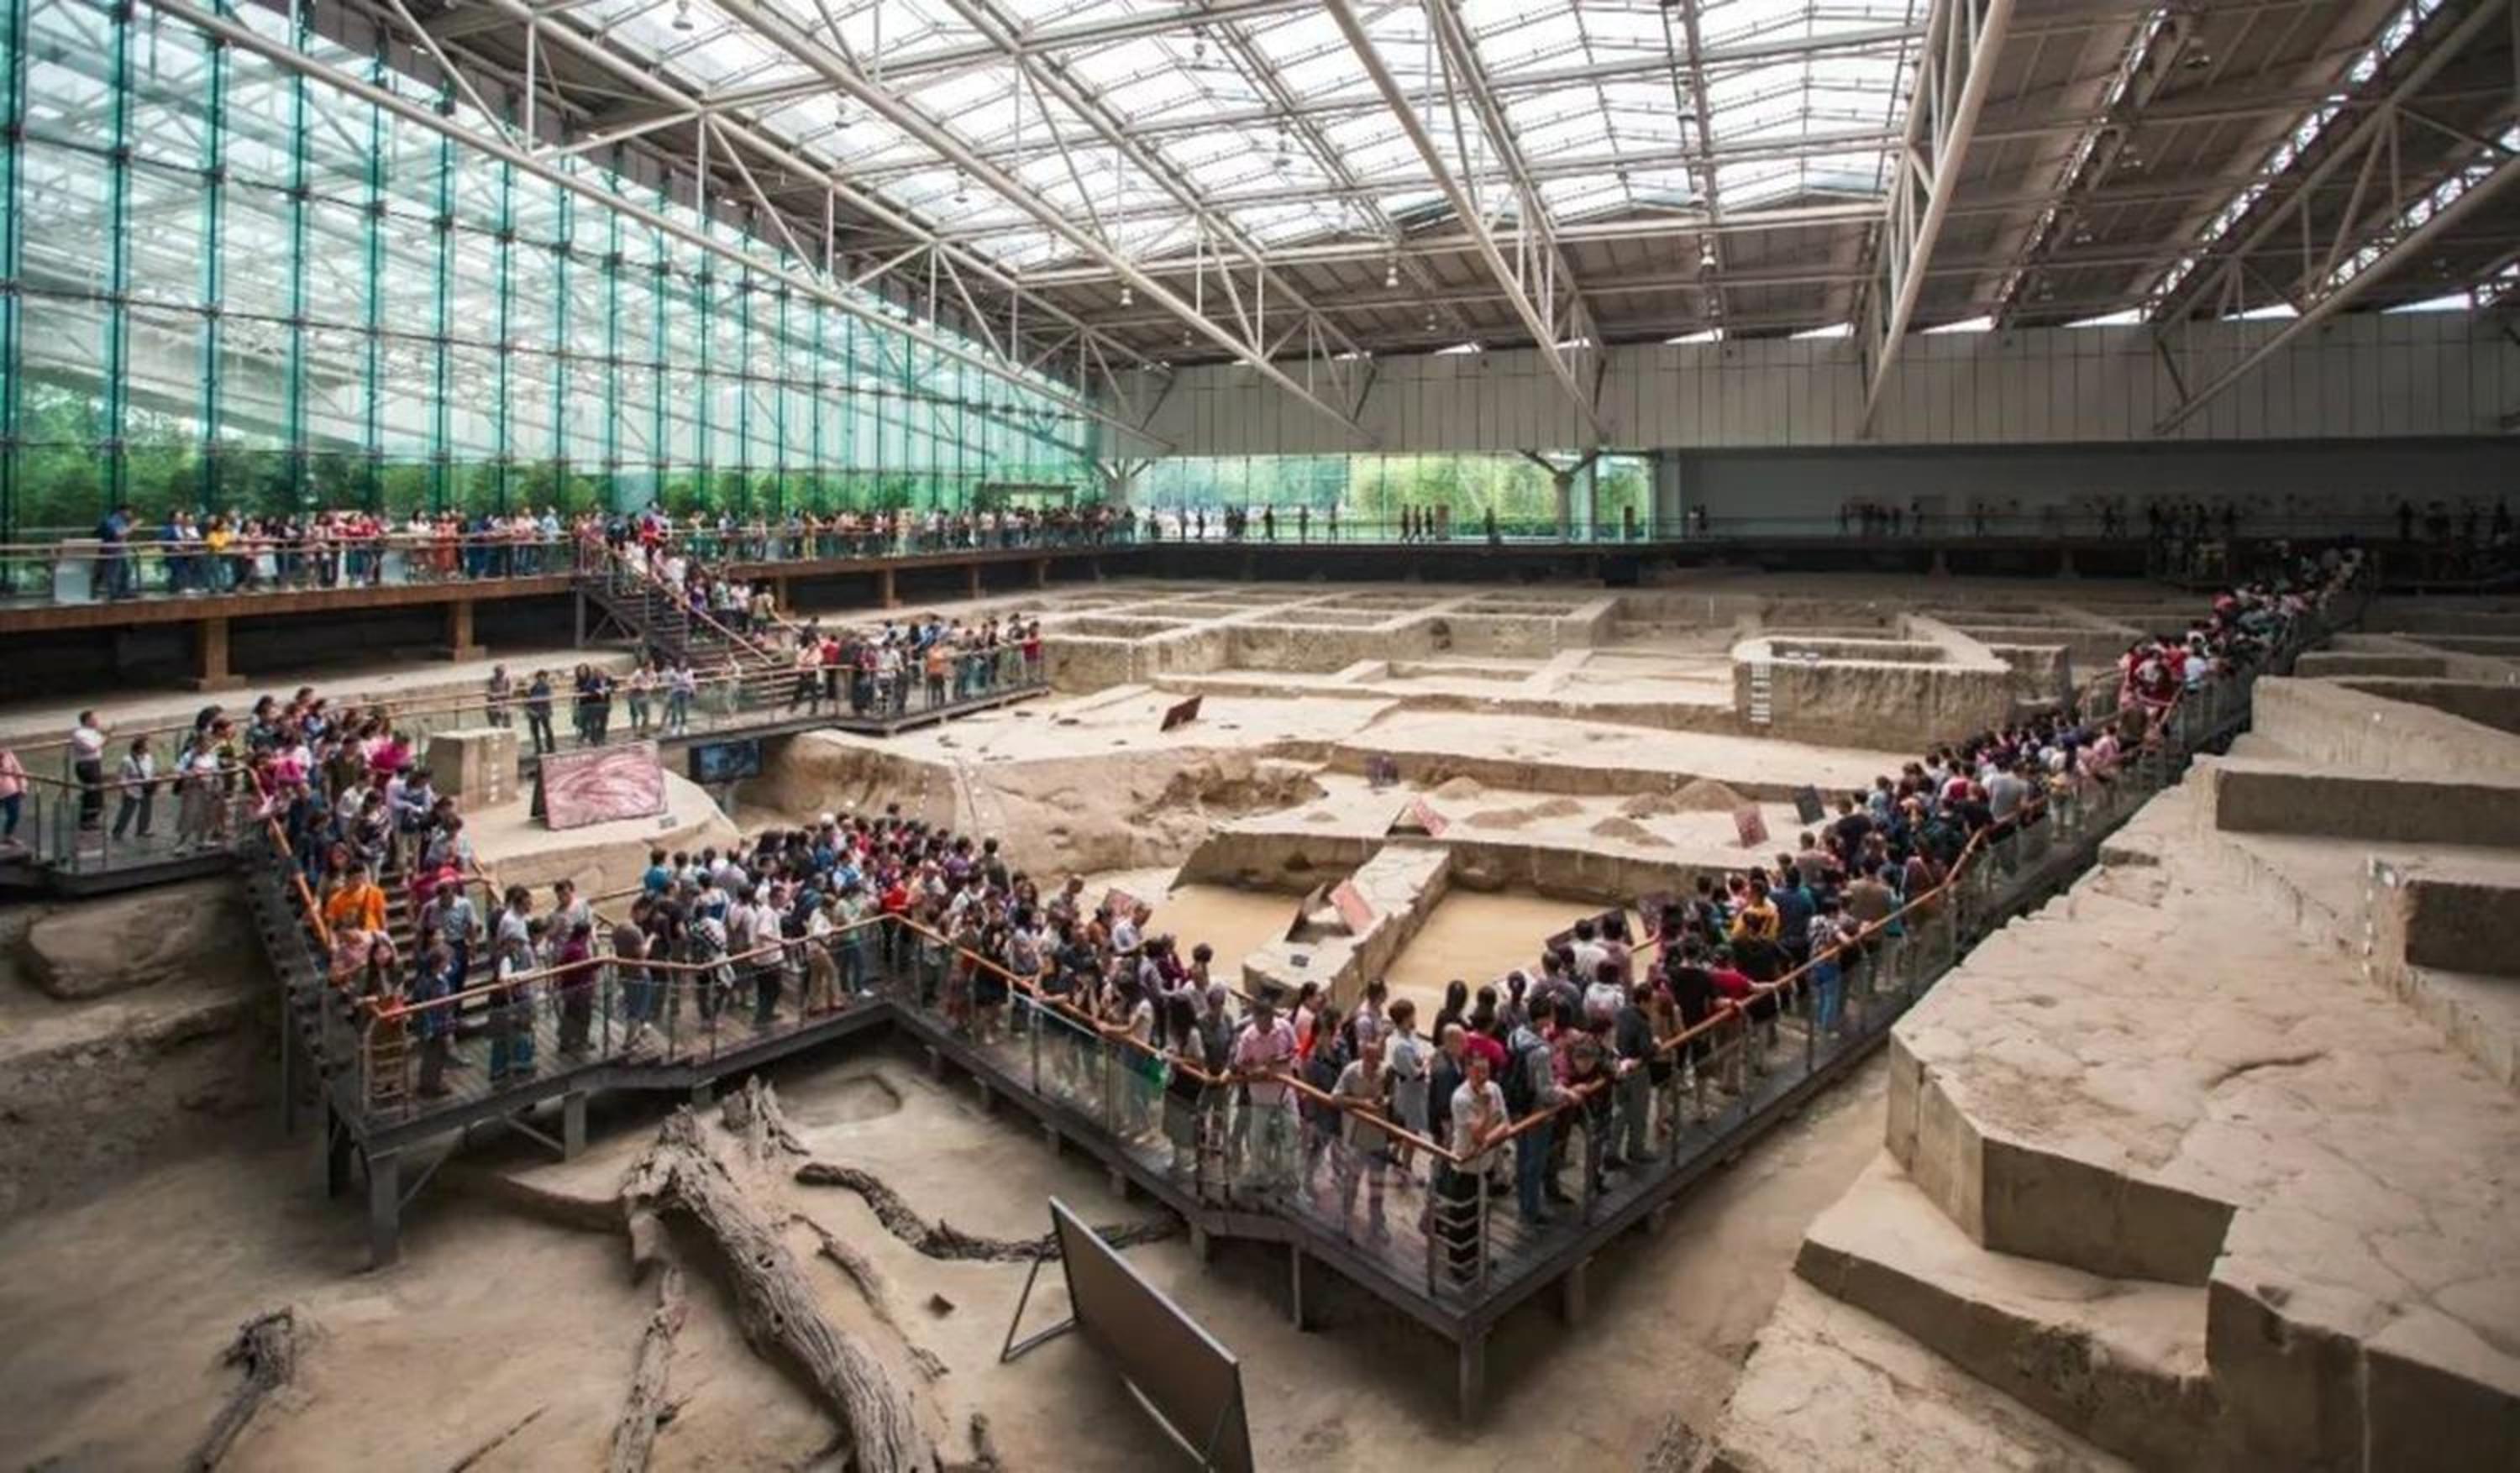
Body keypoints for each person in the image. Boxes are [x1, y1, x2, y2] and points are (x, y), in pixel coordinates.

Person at [1231, 995, 1299, 1195]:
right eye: (1261, 1022)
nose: (1265, 1026)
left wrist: (1279, 1060)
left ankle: (1287, 1176)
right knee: (1259, 1139)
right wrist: (1256, 1071)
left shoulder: (1284, 1027)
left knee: (1292, 1132)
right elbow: (1240, 1065)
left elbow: (1295, 1050)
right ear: (1255, 1018)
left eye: (1268, 1021)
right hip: (1260, 1098)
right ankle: (1260, 1176)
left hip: (1285, 1093)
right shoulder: (1248, 1038)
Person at [111, 734, 158, 841]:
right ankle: (118, 832)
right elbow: (122, 776)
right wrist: (126, 790)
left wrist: (154, 784)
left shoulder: (148, 758)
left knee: (146, 810)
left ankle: (143, 829)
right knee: (126, 812)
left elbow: (152, 771)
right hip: (132, 790)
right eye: (145, 746)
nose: (148, 748)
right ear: (140, 748)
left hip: (146, 788)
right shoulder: (127, 760)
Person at [69, 710, 108, 831]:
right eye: (94, 719)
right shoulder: (79, 734)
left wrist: (104, 737)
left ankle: (93, 817)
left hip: (95, 763)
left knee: (97, 791)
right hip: (86, 765)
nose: (97, 721)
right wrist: (105, 739)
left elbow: (101, 744)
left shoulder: (94, 732)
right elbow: (92, 747)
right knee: (91, 791)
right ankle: (86, 820)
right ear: (87, 720)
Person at [0, 742, 25, 841]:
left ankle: (8, 836)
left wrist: (22, 787)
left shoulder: (8, 754)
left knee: (14, 815)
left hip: (11, 791)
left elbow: (18, 770)